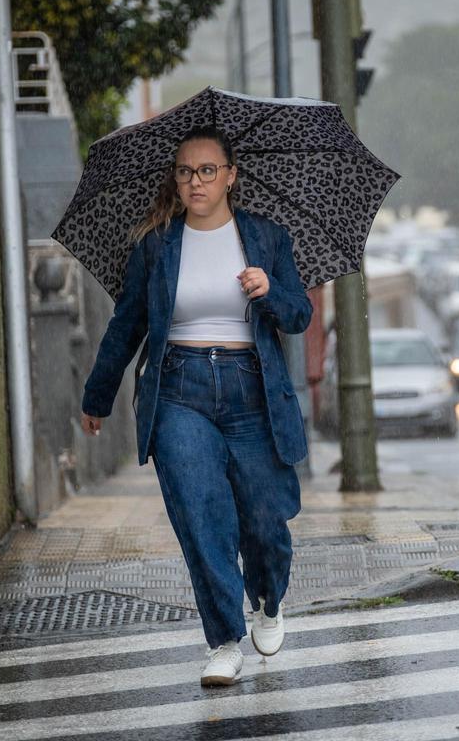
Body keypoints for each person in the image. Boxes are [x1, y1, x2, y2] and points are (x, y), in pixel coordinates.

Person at [79, 125, 312, 687]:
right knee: (201, 515)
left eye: (208, 170)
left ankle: (268, 598)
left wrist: (270, 291)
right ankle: (223, 641)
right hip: (178, 391)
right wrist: (98, 394)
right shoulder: (157, 245)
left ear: (231, 176)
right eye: (185, 171)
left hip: (252, 389)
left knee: (265, 520)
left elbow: (299, 315)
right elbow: (127, 324)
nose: (196, 181)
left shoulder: (266, 238)